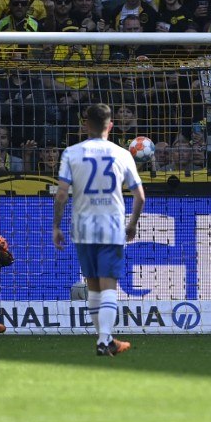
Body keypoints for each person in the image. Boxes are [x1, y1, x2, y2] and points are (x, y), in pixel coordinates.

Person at [53, 104, 145, 356]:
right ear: (110, 125)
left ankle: (104, 339)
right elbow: (139, 196)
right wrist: (133, 223)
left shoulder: (71, 153)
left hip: (83, 227)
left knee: (93, 286)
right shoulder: (122, 154)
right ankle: (105, 340)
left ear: (85, 124)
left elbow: (61, 194)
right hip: (111, 225)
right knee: (108, 286)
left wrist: (56, 226)